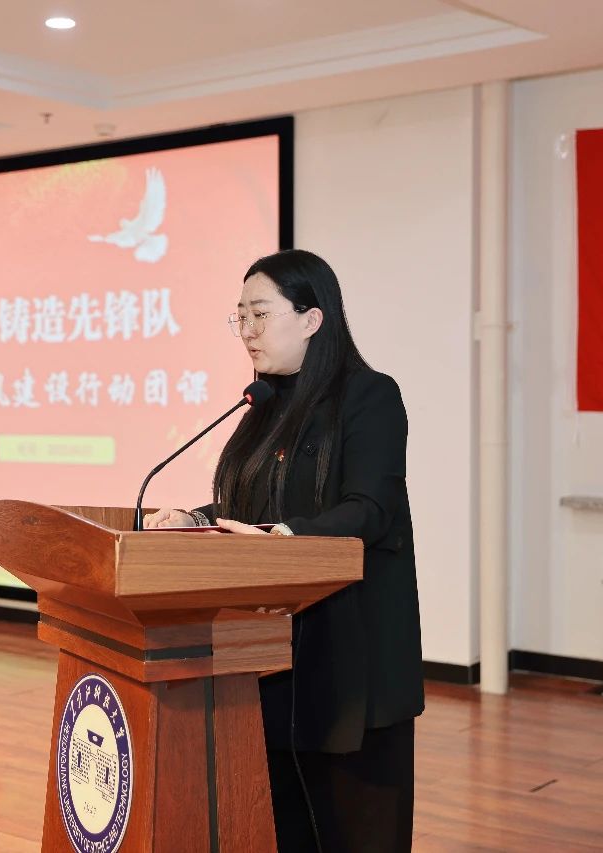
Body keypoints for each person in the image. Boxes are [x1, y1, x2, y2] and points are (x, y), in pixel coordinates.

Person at [145, 249, 423, 852]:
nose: (246, 331)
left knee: (359, 835)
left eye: (260, 314)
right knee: (281, 829)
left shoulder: (370, 396)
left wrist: (283, 541)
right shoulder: (264, 405)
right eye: (240, 316)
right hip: (269, 658)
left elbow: (370, 509)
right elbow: (253, 505)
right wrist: (197, 520)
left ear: (312, 318)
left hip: (351, 656)